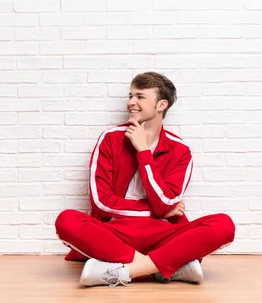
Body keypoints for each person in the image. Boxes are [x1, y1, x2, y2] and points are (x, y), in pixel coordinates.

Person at [54, 71, 235, 287]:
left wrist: (143, 152)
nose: (131, 102)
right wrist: (159, 210)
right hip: (115, 232)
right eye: (130, 96)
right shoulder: (110, 139)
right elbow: (101, 201)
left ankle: (122, 271)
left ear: (161, 105)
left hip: (164, 233)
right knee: (66, 220)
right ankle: (169, 267)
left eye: (140, 97)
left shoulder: (181, 150)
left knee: (223, 225)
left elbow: (165, 203)